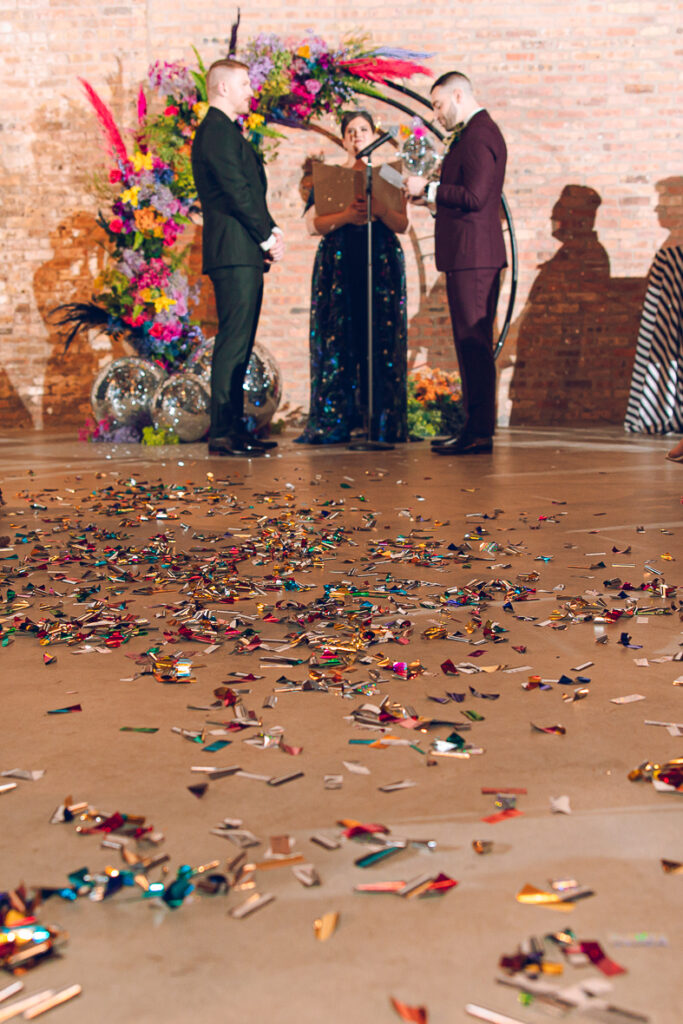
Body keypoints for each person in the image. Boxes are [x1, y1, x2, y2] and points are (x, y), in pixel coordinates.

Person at [405, 71, 507, 455]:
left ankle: (480, 432)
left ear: (459, 95)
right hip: (468, 256)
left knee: (474, 343)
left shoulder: (480, 134)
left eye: (438, 104)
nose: (436, 114)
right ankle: (474, 428)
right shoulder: (473, 133)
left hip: (476, 258)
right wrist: (432, 198)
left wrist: (427, 188)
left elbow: (477, 195)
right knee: (468, 345)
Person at [296, 110, 409, 445]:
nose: (357, 135)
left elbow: (403, 224)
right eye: (350, 131)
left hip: (381, 260)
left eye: (363, 129)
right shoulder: (331, 175)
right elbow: (311, 225)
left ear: (373, 134)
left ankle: (381, 420)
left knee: (379, 336)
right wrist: (347, 215)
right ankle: (339, 419)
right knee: (340, 336)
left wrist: (381, 212)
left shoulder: (388, 172)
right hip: (341, 263)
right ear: (343, 139)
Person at [191, 58, 285, 456]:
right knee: (232, 342)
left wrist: (271, 229)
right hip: (233, 250)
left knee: (241, 343)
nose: (252, 90)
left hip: (240, 248)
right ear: (224, 88)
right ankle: (223, 434)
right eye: (245, 83)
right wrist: (266, 237)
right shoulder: (216, 132)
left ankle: (234, 428)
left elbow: (248, 191)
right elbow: (236, 192)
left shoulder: (225, 131)